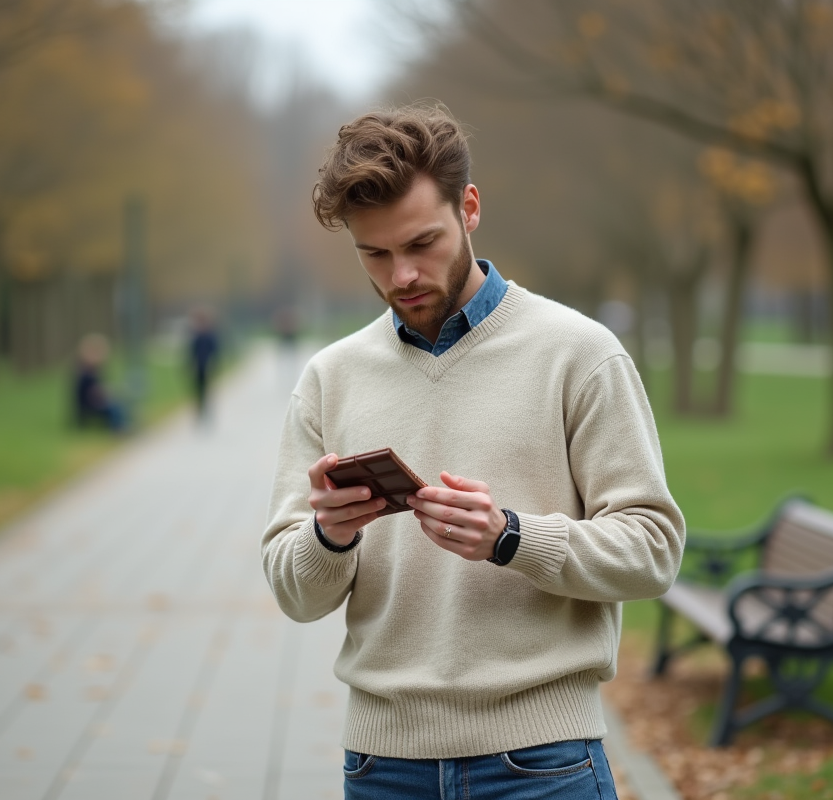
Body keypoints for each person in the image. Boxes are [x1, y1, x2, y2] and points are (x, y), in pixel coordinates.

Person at [261, 103, 685, 799]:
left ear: (471, 207)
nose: (401, 276)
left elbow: (653, 552)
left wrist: (512, 538)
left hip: (544, 765)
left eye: (421, 243)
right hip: (381, 768)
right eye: (376, 254)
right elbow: (295, 593)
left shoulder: (579, 355)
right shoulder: (329, 379)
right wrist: (329, 536)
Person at [72, 333, 125, 432]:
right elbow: (94, 392)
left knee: (118, 402)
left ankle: (122, 424)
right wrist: (107, 392)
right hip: (88, 404)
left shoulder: (88, 370)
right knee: (114, 406)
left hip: (90, 402)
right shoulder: (86, 372)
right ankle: (117, 428)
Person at [188, 307, 220, 421]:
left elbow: (215, 350)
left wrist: (213, 363)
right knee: (198, 390)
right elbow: (191, 352)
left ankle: (206, 411)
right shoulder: (195, 334)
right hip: (198, 366)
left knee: (206, 390)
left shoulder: (209, 334)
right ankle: (200, 411)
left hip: (207, 365)